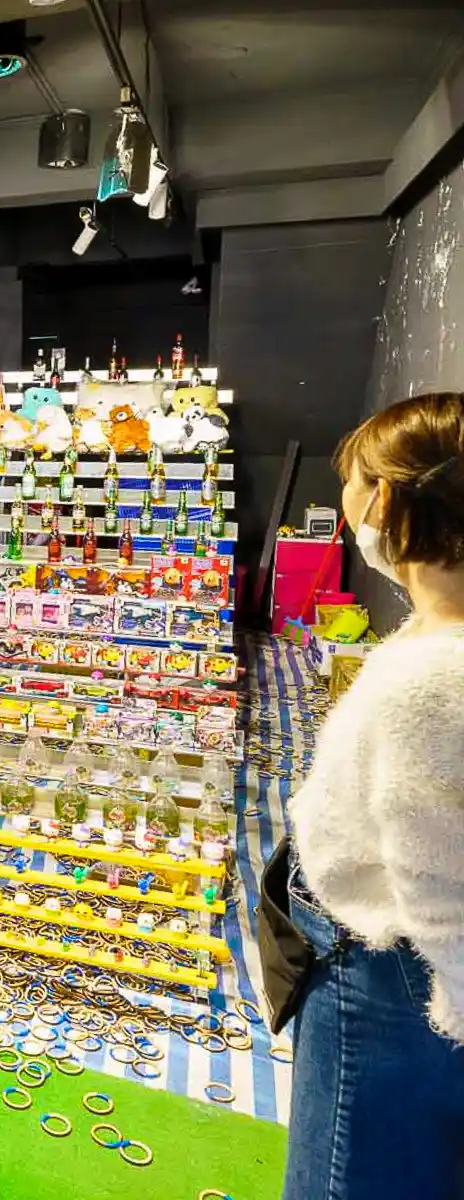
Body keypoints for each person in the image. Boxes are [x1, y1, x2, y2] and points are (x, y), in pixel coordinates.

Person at [284, 391, 464, 1200]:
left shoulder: (427, 673)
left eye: (354, 482)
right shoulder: (434, 639)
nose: (347, 504)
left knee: (344, 1178)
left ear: (387, 498)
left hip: (394, 978)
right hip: (407, 974)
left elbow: (439, 882)